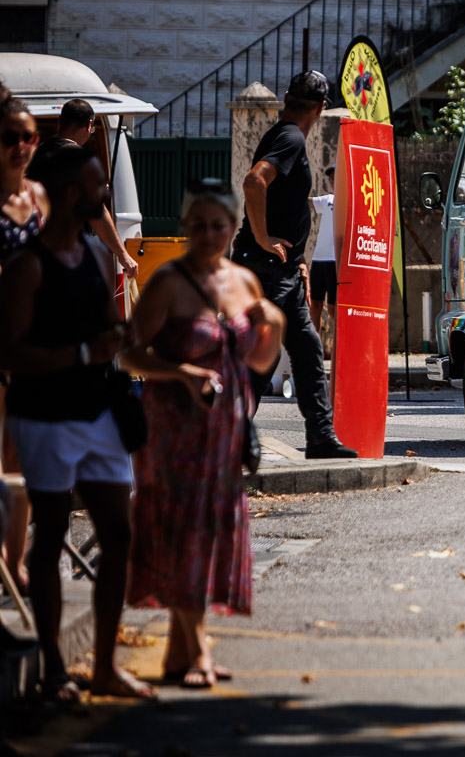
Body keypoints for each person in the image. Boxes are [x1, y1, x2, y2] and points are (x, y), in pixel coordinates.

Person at [0, 145, 150, 701]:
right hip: (44, 416)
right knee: (51, 534)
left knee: (119, 533)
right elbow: (11, 352)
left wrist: (126, 338)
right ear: (70, 195)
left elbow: (106, 329)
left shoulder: (93, 253)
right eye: (96, 185)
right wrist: (84, 352)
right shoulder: (28, 266)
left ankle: (104, 665)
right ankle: (54, 670)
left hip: (97, 412)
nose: (105, 192)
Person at [122, 180, 284, 689]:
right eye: (199, 225)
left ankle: (179, 652)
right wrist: (182, 373)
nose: (209, 234)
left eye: (218, 225)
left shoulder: (244, 282)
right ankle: (199, 652)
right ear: (185, 226)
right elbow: (128, 354)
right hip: (173, 430)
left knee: (207, 532)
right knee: (183, 530)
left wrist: (275, 325)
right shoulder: (168, 283)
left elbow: (258, 362)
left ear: (234, 228)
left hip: (223, 431)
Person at [232, 72, 355, 459]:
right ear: (321, 108)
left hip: (280, 269)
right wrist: (263, 238)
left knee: (305, 348)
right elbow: (254, 183)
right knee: (265, 356)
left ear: (286, 98)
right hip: (265, 268)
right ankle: (228, 437)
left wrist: (298, 258)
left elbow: (283, 204)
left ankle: (319, 437)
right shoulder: (291, 138)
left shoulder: (282, 134)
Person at [0, 84, 46, 603]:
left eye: (29, 137)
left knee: (22, 456)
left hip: (32, 345)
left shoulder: (38, 199)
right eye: (10, 137)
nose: (20, 147)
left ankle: (15, 562)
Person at [27, 98, 138, 281]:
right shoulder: (78, 159)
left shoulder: (37, 154)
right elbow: (97, 213)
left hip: (40, 253)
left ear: (60, 121)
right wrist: (123, 254)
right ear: (89, 125)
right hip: (71, 257)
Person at [308, 166, 337, 336]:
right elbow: (307, 202)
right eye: (331, 178)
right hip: (318, 260)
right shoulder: (328, 200)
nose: (333, 181)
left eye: (336, 177)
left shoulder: (354, 200)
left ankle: (339, 346)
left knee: (333, 308)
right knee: (315, 305)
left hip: (336, 261)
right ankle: (314, 346)